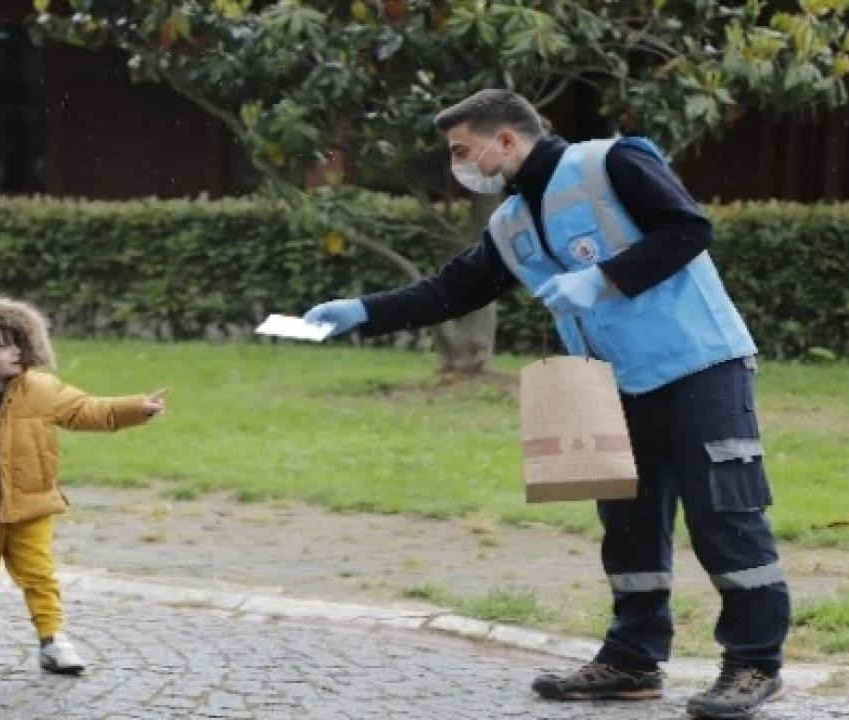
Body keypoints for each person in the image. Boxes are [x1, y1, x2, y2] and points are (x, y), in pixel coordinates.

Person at [303, 90, 789, 720]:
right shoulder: (511, 222)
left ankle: (754, 664)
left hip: (699, 364)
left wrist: (603, 278)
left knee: (725, 517)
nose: (458, 163)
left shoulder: (611, 163)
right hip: (612, 383)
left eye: (462, 149)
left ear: (506, 139)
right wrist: (365, 312)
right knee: (629, 527)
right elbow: (454, 290)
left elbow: (689, 229)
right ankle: (632, 660)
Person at [0, 296, 167, 672]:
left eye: (17, 343)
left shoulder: (42, 389)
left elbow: (87, 409)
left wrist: (134, 408)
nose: (15, 352)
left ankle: (52, 638)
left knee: (39, 573)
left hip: (33, 505)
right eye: (2, 346)